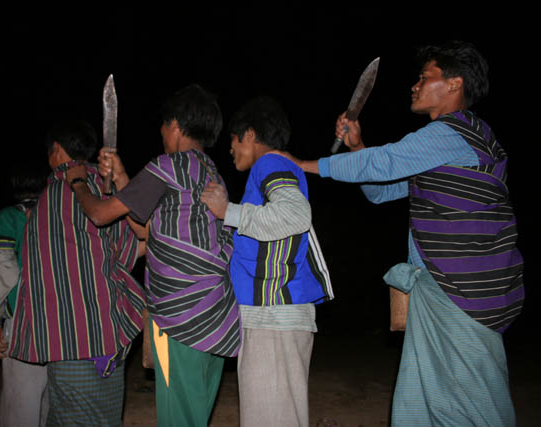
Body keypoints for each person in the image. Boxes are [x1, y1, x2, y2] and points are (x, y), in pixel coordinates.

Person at [287, 41, 523, 426]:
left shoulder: (450, 134)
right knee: (423, 400)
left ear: (454, 84)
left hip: (459, 293)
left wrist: (301, 165)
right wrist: (357, 147)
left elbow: (384, 162)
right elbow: (381, 190)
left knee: (474, 407)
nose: (414, 86)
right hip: (446, 289)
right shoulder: (464, 143)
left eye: (424, 77)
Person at [66, 84, 241, 426]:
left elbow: (99, 214)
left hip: (181, 320)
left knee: (177, 420)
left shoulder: (168, 165)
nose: (161, 132)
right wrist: (122, 178)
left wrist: (78, 183)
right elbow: (147, 230)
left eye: (163, 124)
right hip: (215, 318)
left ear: (175, 125)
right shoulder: (208, 172)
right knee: (194, 418)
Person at [201, 96, 333, 427]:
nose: (230, 148)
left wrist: (228, 211)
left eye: (233, 139)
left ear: (250, 134)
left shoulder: (269, 163)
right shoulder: (270, 170)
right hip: (273, 314)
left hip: (273, 313)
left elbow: (294, 215)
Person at [8, 120, 146, 426]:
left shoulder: (55, 195)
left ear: (56, 149)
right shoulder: (105, 190)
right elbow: (131, 248)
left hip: (72, 339)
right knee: (99, 417)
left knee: (73, 417)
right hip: (110, 334)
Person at [0, 167, 47, 427]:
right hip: (62, 321)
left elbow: (3, 274)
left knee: (22, 404)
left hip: (23, 321)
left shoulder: (8, 218)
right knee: (49, 402)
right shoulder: (58, 214)